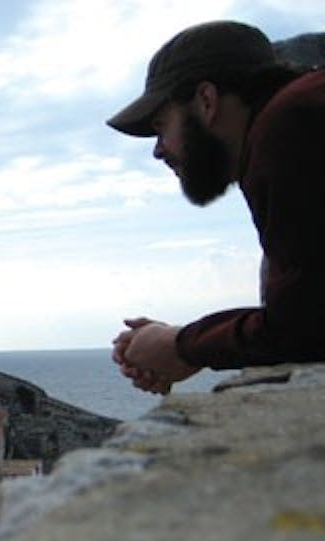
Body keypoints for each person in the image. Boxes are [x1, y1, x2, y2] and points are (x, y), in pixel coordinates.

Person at [107, 20, 325, 394]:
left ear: (206, 101)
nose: (158, 150)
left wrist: (181, 346)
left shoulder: (286, 127)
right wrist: (183, 345)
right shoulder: (299, 112)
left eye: (162, 125)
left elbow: (302, 329)